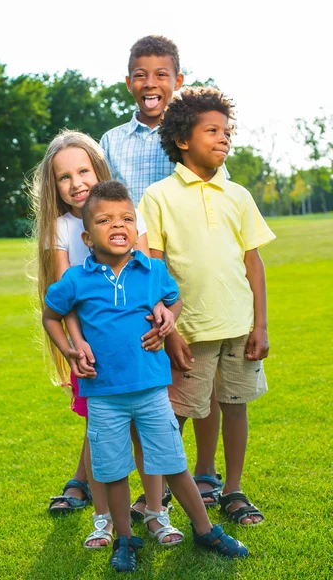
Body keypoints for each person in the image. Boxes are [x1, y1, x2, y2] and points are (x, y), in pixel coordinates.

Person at [42, 181, 249, 572]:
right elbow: (51, 314)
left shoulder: (152, 270)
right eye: (105, 220)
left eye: (126, 219)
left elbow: (174, 301)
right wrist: (70, 348)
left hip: (152, 391)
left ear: (136, 229)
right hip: (103, 394)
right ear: (87, 236)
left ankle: (205, 530)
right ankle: (125, 538)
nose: (118, 225)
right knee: (113, 470)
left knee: (173, 463)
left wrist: (170, 318)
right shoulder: (75, 280)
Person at [31, 129, 182, 548]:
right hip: (94, 351)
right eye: (64, 177)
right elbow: (65, 299)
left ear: (99, 170)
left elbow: (150, 276)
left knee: (145, 436)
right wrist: (75, 346)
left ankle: (155, 511)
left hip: (138, 346)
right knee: (103, 436)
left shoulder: (128, 213)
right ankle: (106, 519)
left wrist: (163, 319)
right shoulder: (61, 228)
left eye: (83, 170)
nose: (76, 182)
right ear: (54, 187)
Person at [138, 86, 276, 526]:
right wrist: (171, 331)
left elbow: (254, 264)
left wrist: (261, 325)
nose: (224, 139)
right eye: (212, 131)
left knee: (236, 405)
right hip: (188, 331)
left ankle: (232, 490)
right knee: (175, 415)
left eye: (227, 131)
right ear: (183, 139)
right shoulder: (158, 197)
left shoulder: (237, 195)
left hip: (238, 326)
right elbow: (154, 269)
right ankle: (156, 498)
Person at [101, 34, 225, 508]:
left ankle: (206, 473)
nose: (150, 83)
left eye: (161, 75)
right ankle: (161, 487)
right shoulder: (112, 141)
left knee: (201, 371)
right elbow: (106, 206)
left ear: (179, 81)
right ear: (127, 81)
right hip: (137, 279)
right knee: (155, 386)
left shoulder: (195, 135)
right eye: (140, 74)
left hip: (193, 275)